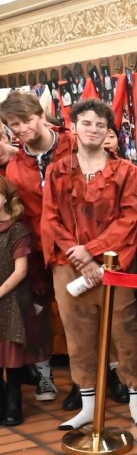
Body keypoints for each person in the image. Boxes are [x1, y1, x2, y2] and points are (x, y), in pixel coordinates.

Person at [41, 99, 137, 430]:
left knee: (126, 329)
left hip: (115, 263)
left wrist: (93, 250)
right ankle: (87, 405)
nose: (93, 129)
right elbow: (50, 218)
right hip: (68, 262)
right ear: (73, 127)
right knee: (78, 332)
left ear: (108, 131)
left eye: (101, 125)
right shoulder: (57, 170)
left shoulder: (127, 172)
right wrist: (76, 252)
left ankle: (136, 401)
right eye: (86, 123)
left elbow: (130, 219)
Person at [0, 90, 72, 405]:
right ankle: (45, 376)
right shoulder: (15, 165)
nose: (21, 128)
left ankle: (97, 379)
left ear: (41, 116)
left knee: (80, 315)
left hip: (72, 248)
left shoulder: (74, 146)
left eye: (26, 120)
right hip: (34, 251)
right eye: (13, 124)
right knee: (37, 315)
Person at [0, 177, 41, 425]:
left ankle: (14, 400)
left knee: (11, 353)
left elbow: (20, 271)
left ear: (5, 197)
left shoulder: (16, 229)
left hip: (11, 298)